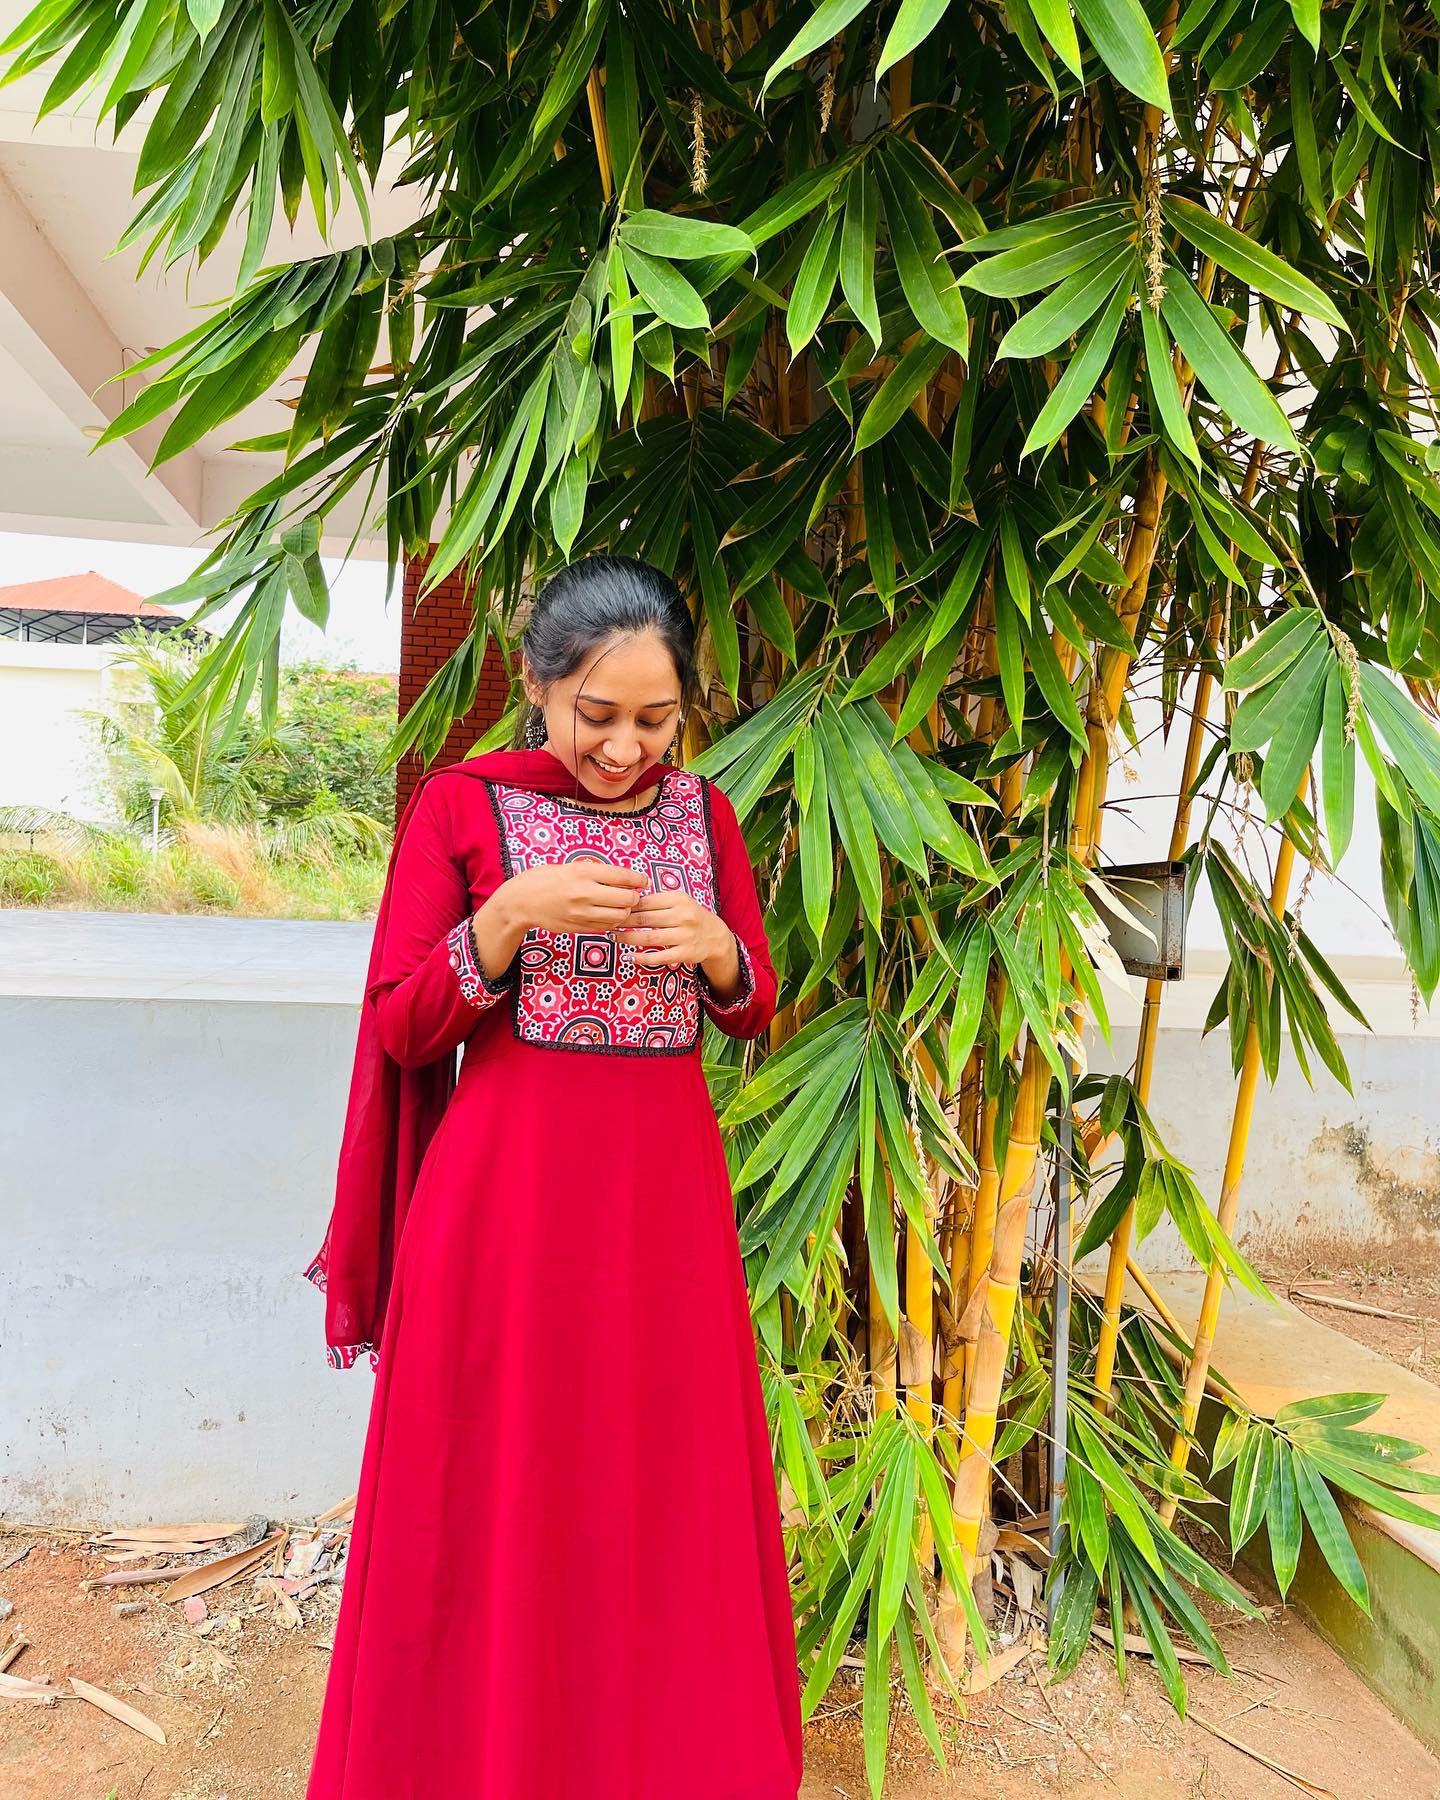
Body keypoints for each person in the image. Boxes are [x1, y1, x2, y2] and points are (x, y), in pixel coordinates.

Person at [300, 555, 805, 1799]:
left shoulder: (708, 821)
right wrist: (504, 922)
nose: (626, 747)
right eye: (596, 714)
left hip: (662, 1214)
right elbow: (403, 1026)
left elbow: (756, 1015)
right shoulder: (464, 810)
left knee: (656, 1484)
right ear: (536, 685)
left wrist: (726, 958)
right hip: (506, 1214)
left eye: (656, 718)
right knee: (498, 1484)